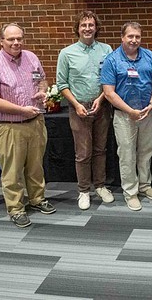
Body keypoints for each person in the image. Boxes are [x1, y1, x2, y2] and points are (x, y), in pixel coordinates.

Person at [0, 23, 56, 228]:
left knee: (35, 166)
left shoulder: (31, 58)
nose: (16, 42)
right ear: (1, 41)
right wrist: (22, 110)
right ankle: (16, 208)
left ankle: (37, 199)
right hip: (8, 126)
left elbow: (42, 80)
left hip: (35, 122)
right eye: (11, 39)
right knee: (12, 171)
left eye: (19, 38)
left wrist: (42, 91)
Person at [56, 11, 114, 211]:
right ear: (77, 29)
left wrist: (100, 99)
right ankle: (83, 191)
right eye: (83, 25)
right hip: (78, 107)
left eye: (91, 24)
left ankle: (100, 185)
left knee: (100, 149)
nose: (88, 28)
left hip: (102, 105)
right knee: (83, 153)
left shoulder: (107, 50)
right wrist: (76, 104)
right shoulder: (67, 53)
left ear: (96, 27)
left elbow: (110, 79)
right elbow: (62, 83)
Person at [101, 22, 152, 211]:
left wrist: (151, 105)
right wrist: (130, 111)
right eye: (130, 36)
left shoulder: (149, 56)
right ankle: (131, 192)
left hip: (147, 113)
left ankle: (144, 186)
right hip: (124, 115)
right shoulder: (112, 60)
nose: (134, 40)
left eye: (137, 37)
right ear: (122, 37)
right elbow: (109, 92)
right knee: (127, 154)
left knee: (146, 150)